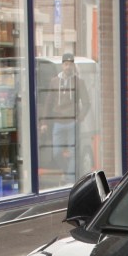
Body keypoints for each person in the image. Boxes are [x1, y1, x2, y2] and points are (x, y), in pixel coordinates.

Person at [42, 52, 91, 180]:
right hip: (58, 123)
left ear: (73, 65)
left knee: (73, 153)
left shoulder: (79, 82)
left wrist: (80, 118)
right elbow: (48, 103)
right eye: (65, 64)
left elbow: (87, 103)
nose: (67, 67)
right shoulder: (54, 82)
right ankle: (67, 172)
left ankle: (70, 182)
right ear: (62, 65)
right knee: (56, 153)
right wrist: (44, 123)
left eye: (70, 64)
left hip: (72, 123)